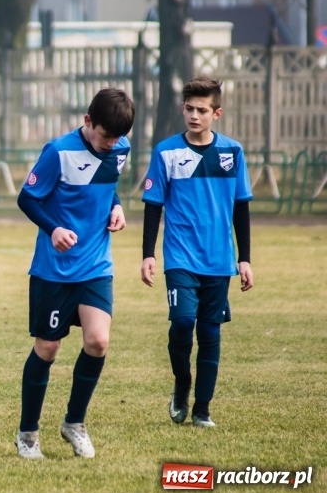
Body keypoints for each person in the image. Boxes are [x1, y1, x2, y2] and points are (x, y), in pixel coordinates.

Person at [15, 88, 135, 460]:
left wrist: (116, 208)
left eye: (116, 139)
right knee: (48, 348)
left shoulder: (120, 147)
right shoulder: (58, 152)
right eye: (103, 137)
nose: (109, 145)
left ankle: (74, 423)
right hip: (54, 269)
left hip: (96, 264)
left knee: (98, 342)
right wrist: (53, 229)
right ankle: (28, 433)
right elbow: (27, 198)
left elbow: (107, 186)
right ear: (87, 121)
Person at [141, 75, 253, 429]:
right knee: (182, 324)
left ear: (216, 113)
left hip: (219, 260)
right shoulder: (166, 152)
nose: (194, 115)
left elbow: (240, 208)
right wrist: (148, 254)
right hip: (180, 257)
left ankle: (202, 408)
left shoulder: (232, 153)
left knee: (209, 334)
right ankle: (181, 383)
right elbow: (153, 205)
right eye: (189, 108)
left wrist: (245, 258)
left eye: (201, 110)